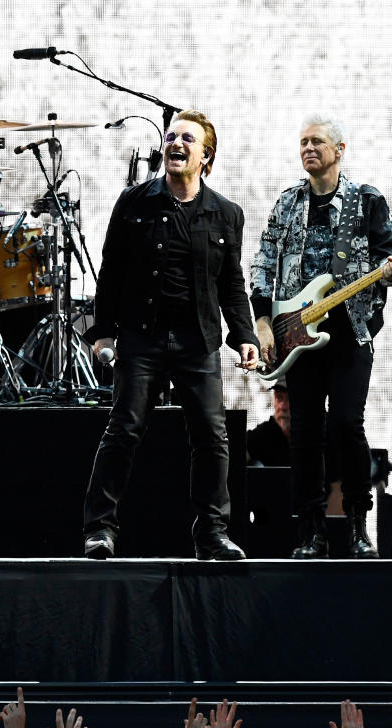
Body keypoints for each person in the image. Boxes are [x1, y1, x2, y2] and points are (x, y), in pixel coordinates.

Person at [82, 110, 259, 561]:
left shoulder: (226, 214)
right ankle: (100, 529)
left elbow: (232, 283)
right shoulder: (135, 202)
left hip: (197, 339)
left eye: (187, 139)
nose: (175, 143)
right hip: (142, 336)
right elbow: (112, 272)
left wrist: (244, 334)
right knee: (124, 428)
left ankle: (212, 534)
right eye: (171, 136)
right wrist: (103, 334)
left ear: (206, 156)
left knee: (212, 436)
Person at [250, 115, 392, 559]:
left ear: (340, 149)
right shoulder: (288, 203)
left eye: (317, 141)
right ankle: (310, 532)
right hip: (297, 332)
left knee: (346, 424)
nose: (308, 148)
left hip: (350, 329)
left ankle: (357, 526)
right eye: (302, 143)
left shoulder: (367, 200)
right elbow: (261, 262)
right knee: (305, 432)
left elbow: (387, 256)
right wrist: (262, 322)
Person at [246, 379, 290, 466]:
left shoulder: (320, 434)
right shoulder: (264, 434)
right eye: (279, 397)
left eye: (291, 399)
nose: (282, 406)